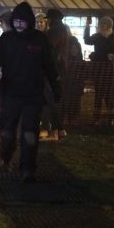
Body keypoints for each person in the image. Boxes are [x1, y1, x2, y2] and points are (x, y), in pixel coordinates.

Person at [0, 1, 60, 183]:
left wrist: (56, 87)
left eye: (22, 21)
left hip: (32, 95)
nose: (19, 24)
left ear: (29, 22)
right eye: (16, 21)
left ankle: (27, 169)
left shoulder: (39, 40)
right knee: (7, 131)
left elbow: (50, 66)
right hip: (10, 94)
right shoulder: (6, 39)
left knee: (29, 134)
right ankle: (5, 158)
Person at [40, 8, 69, 140]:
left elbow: (48, 47)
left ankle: (53, 128)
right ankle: (54, 128)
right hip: (56, 69)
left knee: (48, 99)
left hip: (50, 69)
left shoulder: (55, 30)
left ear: (51, 19)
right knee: (47, 99)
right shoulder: (62, 29)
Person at [84, 15, 114, 126]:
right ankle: (96, 118)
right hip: (98, 69)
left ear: (109, 26)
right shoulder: (97, 36)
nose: (102, 26)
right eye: (101, 24)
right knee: (98, 94)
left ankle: (110, 118)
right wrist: (87, 26)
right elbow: (87, 41)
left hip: (109, 69)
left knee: (109, 95)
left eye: (104, 24)